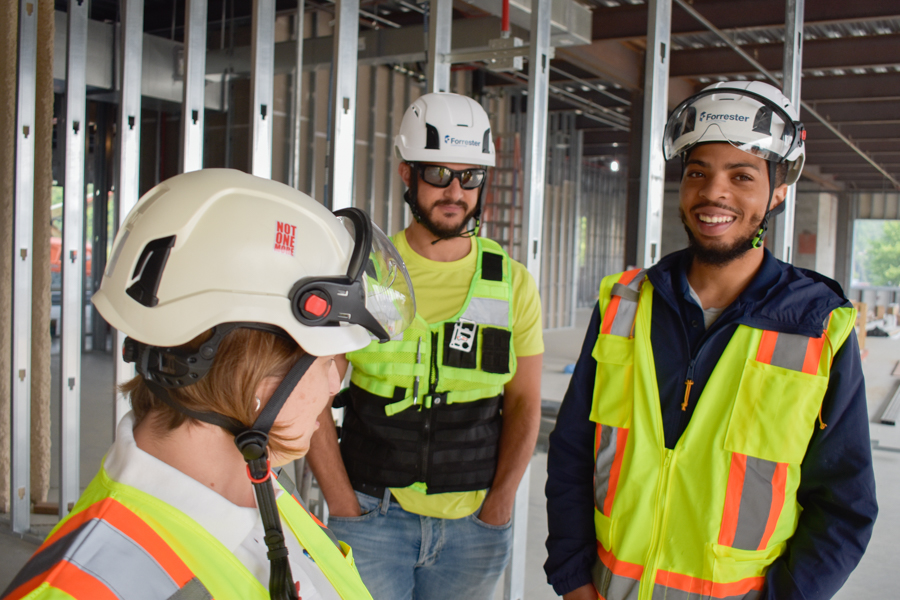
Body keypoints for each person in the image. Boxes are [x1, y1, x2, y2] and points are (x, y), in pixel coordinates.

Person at [1, 169, 416, 600]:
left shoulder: (262, 483)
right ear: (246, 368)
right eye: (329, 358)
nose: (335, 383)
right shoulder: (86, 587)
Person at [544, 81, 878, 600]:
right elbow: (571, 453)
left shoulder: (817, 324)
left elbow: (844, 503)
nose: (713, 193)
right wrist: (572, 578)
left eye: (741, 176)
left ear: (779, 190)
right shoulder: (625, 303)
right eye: (698, 172)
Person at [306, 92, 544, 599]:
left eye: (470, 176)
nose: (454, 191)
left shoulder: (513, 284)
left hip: (473, 531)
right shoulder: (367, 272)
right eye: (438, 174)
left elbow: (525, 403)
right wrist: (342, 505)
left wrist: (499, 505)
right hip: (372, 517)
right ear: (407, 173)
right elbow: (310, 397)